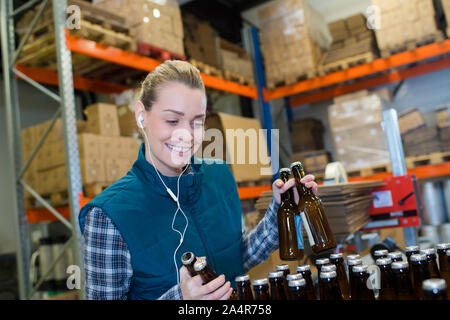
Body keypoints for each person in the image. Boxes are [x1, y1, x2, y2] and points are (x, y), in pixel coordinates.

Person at [78, 60, 317, 300]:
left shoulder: (220, 176)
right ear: (142, 116)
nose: (185, 134)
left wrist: (281, 213)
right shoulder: (109, 216)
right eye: (172, 121)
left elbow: (236, 259)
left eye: (197, 122)